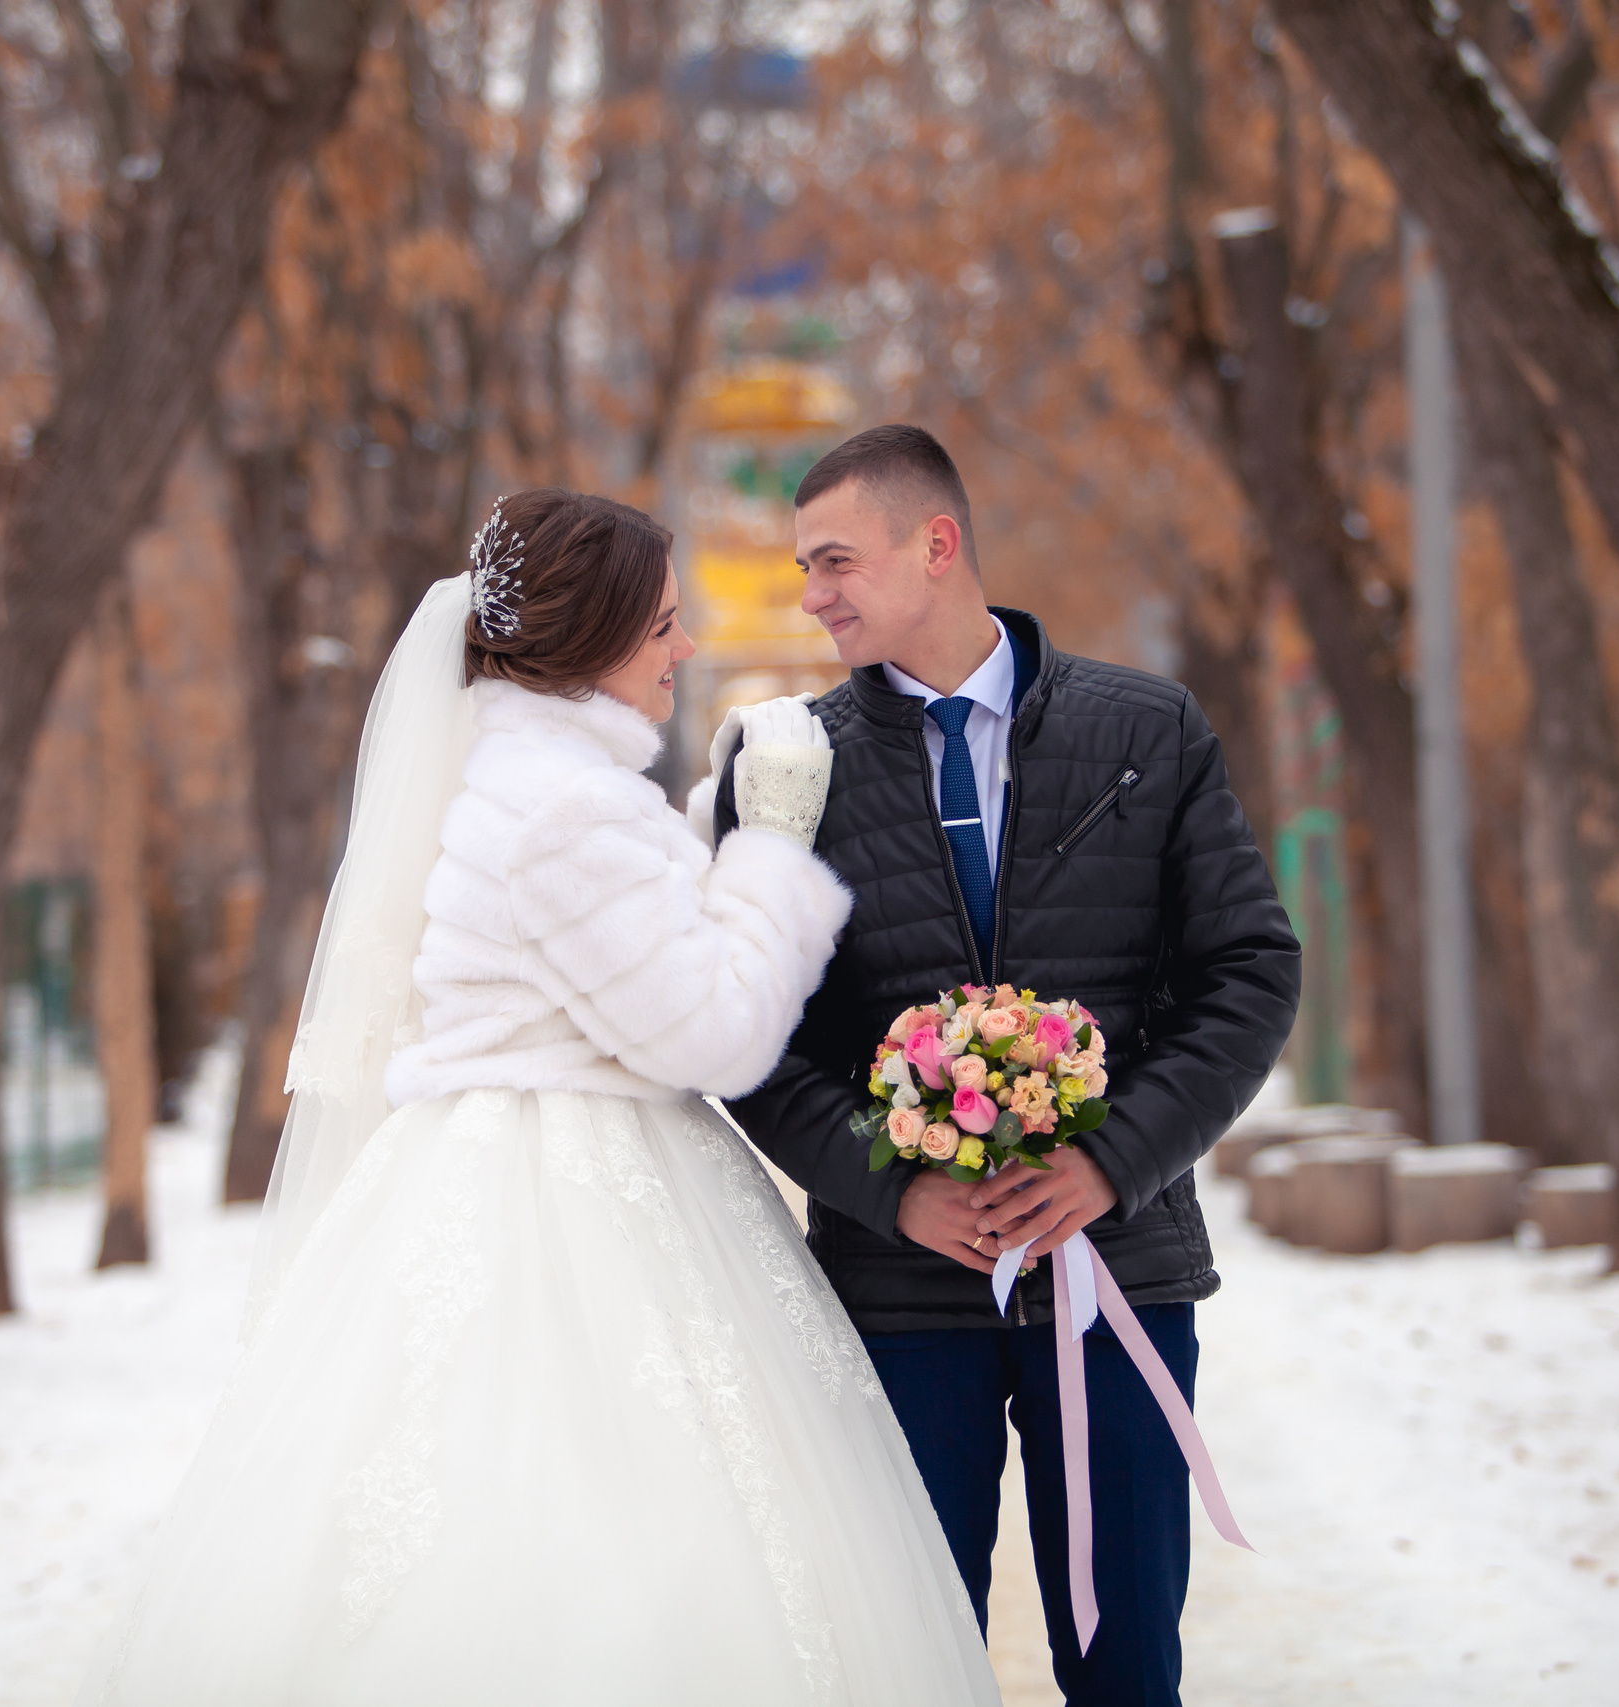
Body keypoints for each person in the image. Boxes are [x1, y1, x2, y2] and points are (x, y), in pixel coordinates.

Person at [81, 489, 1002, 1706]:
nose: (682, 649)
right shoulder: (562, 807)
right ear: (596, 639)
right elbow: (714, 1031)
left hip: (513, 1155)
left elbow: (608, 941)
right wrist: (771, 842)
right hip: (569, 1194)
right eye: (664, 626)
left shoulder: (545, 787)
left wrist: (699, 827)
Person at [710, 426, 1301, 1707]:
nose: (811, 595)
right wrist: (892, 1190)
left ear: (937, 545)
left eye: (833, 561)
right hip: (900, 1296)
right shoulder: (780, 769)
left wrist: (1111, 1161)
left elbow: (1249, 972)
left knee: (1126, 1661)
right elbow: (746, 1038)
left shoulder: (1147, 728)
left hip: (1119, 1278)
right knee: (909, 1661)